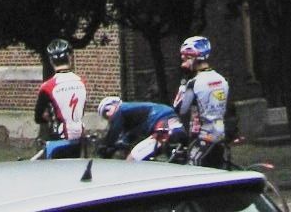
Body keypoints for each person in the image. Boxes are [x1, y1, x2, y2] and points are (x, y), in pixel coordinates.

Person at [173, 35, 231, 167]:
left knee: (193, 172)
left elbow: (180, 109)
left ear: (193, 58)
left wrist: (183, 83)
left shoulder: (194, 83)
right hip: (220, 136)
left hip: (203, 138)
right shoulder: (222, 79)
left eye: (185, 58)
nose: (183, 61)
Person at [34, 39, 88, 157]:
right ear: (69, 57)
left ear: (51, 61)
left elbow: (38, 117)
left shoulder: (47, 87)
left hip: (58, 138)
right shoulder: (81, 82)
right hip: (79, 137)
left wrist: (47, 117)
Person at [96, 94, 176, 160]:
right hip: (168, 118)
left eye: (107, 110)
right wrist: (120, 144)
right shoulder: (132, 117)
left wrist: (106, 145)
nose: (107, 115)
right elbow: (131, 135)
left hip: (160, 121)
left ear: (116, 104)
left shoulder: (122, 109)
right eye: (105, 116)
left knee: (131, 159)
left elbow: (114, 131)